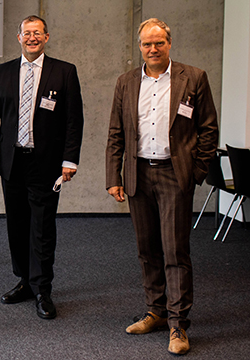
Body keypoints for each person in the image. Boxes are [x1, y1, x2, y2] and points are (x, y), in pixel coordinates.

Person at [106, 18, 218, 355]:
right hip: (138, 175)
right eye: (146, 44)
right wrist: (114, 176)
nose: (153, 49)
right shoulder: (125, 82)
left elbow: (209, 129)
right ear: (139, 47)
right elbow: (115, 133)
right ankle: (155, 311)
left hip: (174, 175)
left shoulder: (193, 77)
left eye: (159, 43)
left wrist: (194, 172)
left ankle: (178, 324)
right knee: (147, 249)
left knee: (175, 251)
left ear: (169, 43)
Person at [0, 15, 84, 320]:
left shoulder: (64, 72)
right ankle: (25, 280)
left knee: (42, 227)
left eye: (37, 33)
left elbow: (73, 120)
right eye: (27, 33)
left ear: (46, 37)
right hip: (12, 162)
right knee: (17, 224)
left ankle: (43, 289)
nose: (32, 38)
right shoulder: (3, 72)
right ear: (19, 37)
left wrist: (69, 160)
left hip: (47, 163)